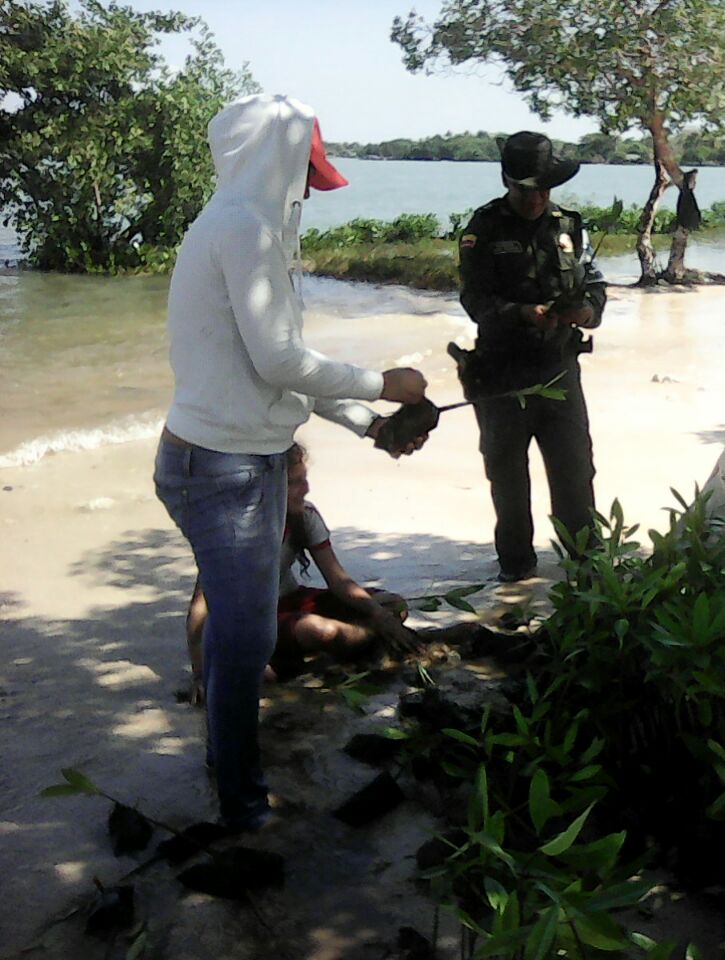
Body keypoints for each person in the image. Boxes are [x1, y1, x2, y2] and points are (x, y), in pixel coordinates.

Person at [153, 93, 431, 832]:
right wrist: (383, 383)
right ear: (274, 160)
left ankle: (231, 771)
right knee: (243, 640)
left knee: (243, 638)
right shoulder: (243, 230)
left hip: (237, 459)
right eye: (304, 171)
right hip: (222, 468)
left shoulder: (234, 225)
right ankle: (242, 803)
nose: (308, 188)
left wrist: (369, 425)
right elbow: (281, 360)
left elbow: (273, 376)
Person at [456, 131, 607, 582]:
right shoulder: (483, 229)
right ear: (507, 181)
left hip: (559, 371)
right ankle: (516, 573)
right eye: (527, 190)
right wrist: (521, 314)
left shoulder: (568, 225)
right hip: (501, 377)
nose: (537, 198)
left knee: (575, 473)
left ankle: (585, 571)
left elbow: (594, 284)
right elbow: (474, 300)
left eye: (544, 189)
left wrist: (586, 312)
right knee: (508, 481)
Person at [184, 444, 419, 703]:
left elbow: (339, 581)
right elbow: (200, 609)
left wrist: (379, 614)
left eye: (304, 479)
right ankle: (361, 640)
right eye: (294, 483)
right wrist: (200, 674)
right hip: (253, 620)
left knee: (394, 605)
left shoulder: (305, 516)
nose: (305, 489)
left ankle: (349, 642)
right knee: (320, 631)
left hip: (293, 600)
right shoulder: (232, 532)